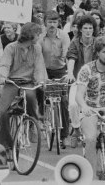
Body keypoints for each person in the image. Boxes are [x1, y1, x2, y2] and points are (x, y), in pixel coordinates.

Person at [0, 22, 47, 156]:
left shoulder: (37, 48)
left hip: (28, 82)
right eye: (37, 34)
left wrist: (41, 80)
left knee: (31, 97)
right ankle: (4, 145)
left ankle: (33, 124)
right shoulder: (11, 48)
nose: (39, 37)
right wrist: (1, 77)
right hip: (11, 82)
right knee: (3, 113)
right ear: (30, 36)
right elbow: (4, 64)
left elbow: (39, 66)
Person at [75, 35, 105, 179]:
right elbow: (79, 94)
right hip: (91, 110)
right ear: (97, 53)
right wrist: (84, 106)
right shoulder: (87, 69)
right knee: (91, 138)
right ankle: (90, 176)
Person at [39, 10, 72, 147]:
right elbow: (38, 57)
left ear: (58, 23)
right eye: (49, 22)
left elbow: (67, 52)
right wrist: (43, 77)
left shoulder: (64, 36)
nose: (52, 25)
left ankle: (64, 135)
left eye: (54, 22)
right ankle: (40, 119)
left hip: (60, 70)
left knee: (63, 101)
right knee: (40, 92)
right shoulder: (41, 37)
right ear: (45, 23)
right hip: (44, 69)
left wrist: (64, 56)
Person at [66, 15, 99, 148]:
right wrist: (69, 73)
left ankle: (99, 132)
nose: (88, 30)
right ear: (80, 29)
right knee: (73, 105)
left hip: (95, 80)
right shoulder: (75, 42)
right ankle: (75, 129)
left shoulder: (97, 43)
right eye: (85, 28)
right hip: (78, 79)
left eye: (90, 28)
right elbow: (71, 58)